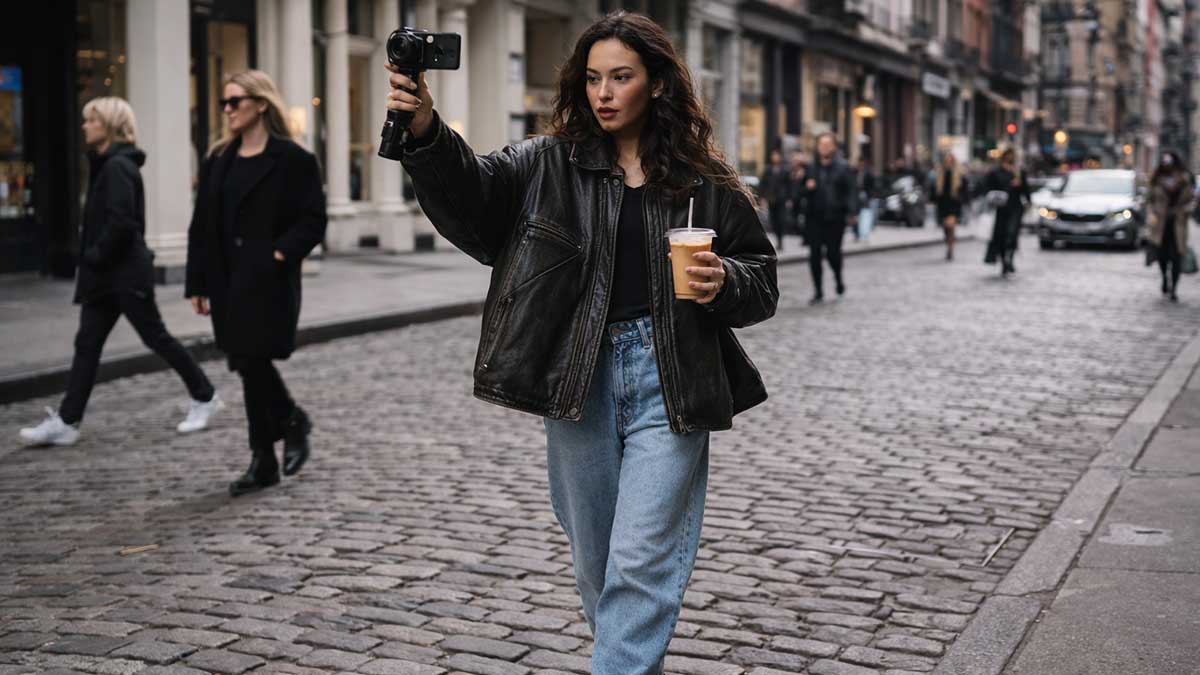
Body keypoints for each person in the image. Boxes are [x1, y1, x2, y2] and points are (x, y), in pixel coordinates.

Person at [386, 12, 777, 673]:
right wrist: (425, 128)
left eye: (620, 77)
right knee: (597, 562)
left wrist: (723, 281)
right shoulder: (546, 164)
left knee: (640, 559)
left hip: (671, 377)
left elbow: (761, 281)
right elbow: (473, 198)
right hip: (580, 377)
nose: (603, 92)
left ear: (655, 84)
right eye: (593, 77)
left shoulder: (702, 181)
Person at [19, 97, 222, 447]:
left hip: (124, 273)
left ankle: (204, 396)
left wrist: (94, 256)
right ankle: (68, 421)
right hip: (107, 276)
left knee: (155, 337)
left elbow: (122, 222)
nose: (84, 126)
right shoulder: (108, 164)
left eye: (91, 120)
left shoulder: (117, 167)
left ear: (110, 126)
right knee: (87, 344)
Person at [184, 71, 327, 496]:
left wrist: (279, 253)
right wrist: (197, 282)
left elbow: (313, 219)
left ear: (260, 104)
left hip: (267, 279)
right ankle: (278, 437)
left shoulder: (294, 160)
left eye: (234, 101)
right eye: (224, 103)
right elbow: (201, 226)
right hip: (226, 279)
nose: (227, 109)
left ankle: (272, 444)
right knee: (248, 364)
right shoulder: (219, 159)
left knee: (250, 359)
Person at [801, 132, 858, 303]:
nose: (824, 147)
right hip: (814, 218)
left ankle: (838, 278)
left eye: (827, 144)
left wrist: (852, 212)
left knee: (833, 253)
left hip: (835, 218)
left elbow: (851, 191)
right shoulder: (811, 168)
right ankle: (818, 291)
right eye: (821, 144)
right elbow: (799, 192)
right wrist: (806, 187)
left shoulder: (843, 167)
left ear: (833, 147)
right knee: (814, 255)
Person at [1145, 150, 1194, 302]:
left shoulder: (1184, 180)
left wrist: (1187, 210)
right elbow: (1150, 200)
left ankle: (1174, 288)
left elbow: (1192, 201)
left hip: (1178, 225)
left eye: (1169, 162)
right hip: (1161, 224)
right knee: (1162, 256)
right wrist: (1151, 214)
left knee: (1177, 257)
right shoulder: (1156, 179)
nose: (1167, 165)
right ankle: (1165, 279)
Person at [983, 148, 1030, 276]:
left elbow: (1026, 189)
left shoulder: (1019, 171)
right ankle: (1004, 261)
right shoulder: (996, 172)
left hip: (1015, 207)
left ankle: (1010, 258)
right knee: (1002, 235)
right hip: (1001, 208)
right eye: (1008, 155)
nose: (1010, 157)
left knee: (1012, 234)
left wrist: (1020, 187)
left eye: (1012, 155)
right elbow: (987, 187)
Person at [931, 151, 966, 261]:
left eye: (950, 160)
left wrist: (961, 199)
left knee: (950, 225)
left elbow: (965, 190)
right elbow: (933, 190)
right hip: (943, 204)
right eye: (946, 160)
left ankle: (950, 248)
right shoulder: (939, 174)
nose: (948, 162)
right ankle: (949, 242)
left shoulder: (959, 175)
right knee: (946, 228)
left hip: (954, 204)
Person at [758, 148, 793, 251]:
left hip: (781, 199)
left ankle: (780, 240)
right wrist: (762, 197)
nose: (775, 157)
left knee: (780, 220)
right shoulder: (768, 169)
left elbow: (789, 185)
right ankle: (778, 238)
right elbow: (763, 184)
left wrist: (790, 198)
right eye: (773, 155)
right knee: (773, 221)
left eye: (777, 155)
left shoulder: (785, 170)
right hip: (771, 198)